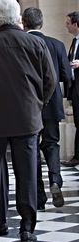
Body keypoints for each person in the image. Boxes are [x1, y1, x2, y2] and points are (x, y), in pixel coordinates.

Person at [0, 0, 56, 242]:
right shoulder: (36, 42)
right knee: (26, 171)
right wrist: (38, 104)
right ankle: (27, 226)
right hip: (27, 118)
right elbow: (51, 80)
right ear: (18, 18)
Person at [22, 7, 71, 210]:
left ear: (24, 23)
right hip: (52, 103)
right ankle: (55, 181)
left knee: (31, 148)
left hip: (28, 105)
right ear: (41, 23)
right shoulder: (57, 44)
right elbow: (66, 76)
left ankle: (39, 196)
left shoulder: (22, 45)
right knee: (52, 144)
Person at [61, 11, 79, 167]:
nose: (66, 26)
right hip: (75, 89)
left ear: (76, 24)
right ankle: (77, 156)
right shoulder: (75, 41)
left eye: (68, 23)